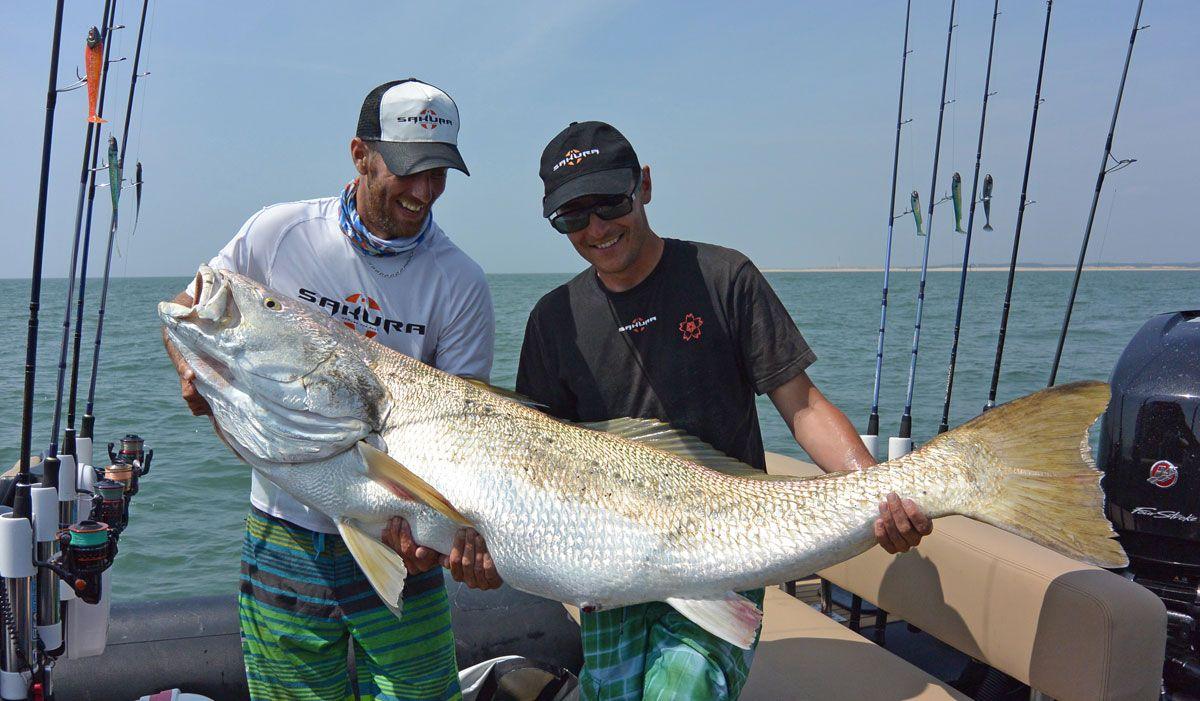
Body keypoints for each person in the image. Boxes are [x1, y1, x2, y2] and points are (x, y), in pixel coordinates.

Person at [516, 121, 932, 700]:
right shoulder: (552, 320)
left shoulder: (723, 277)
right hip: (610, 558)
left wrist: (878, 491)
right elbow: (536, 461)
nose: (598, 228)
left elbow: (803, 403)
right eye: (572, 217)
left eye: (611, 202)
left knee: (682, 690)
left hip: (724, 546)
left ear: (646, 186)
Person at [163, 79, 500, 700]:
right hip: (285, 529)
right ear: (359, 154)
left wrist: (441, 540)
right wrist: (191, 371)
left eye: (440, 172)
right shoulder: (279, 234)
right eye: (408, 169)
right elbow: (190, 307)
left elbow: (464, 436)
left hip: (401, 538)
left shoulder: (460, 283)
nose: (424, 192)